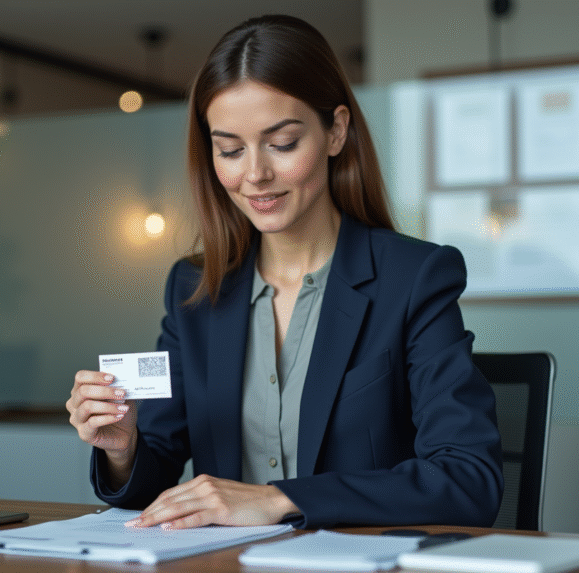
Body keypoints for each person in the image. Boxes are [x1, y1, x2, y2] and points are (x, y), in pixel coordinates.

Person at [67, 14, 503, 530]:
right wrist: (123, 448)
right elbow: (155, 466)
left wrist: (279, 499)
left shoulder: (414, 278)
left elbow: (467, 479)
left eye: (282, 143)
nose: (254, 175)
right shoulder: (194, 290)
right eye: (229, 149)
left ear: (335, 131)